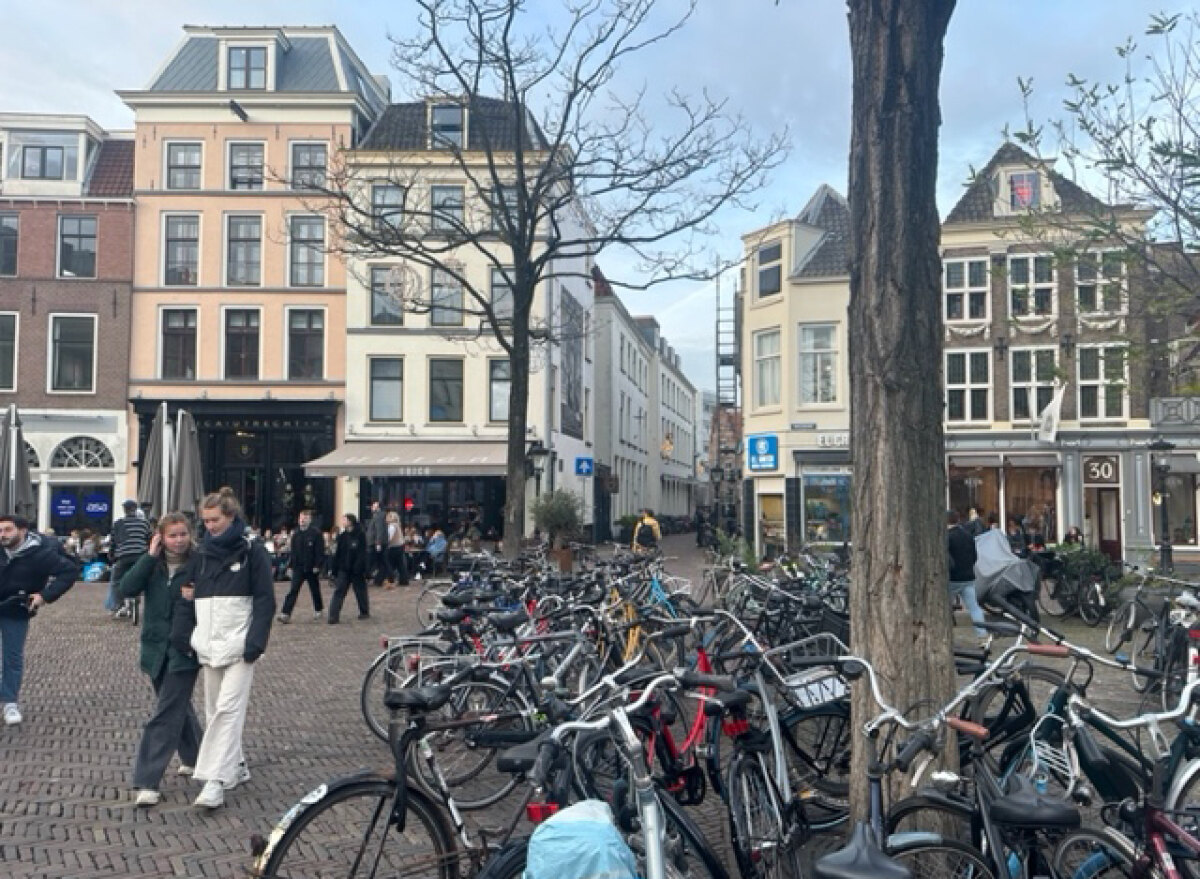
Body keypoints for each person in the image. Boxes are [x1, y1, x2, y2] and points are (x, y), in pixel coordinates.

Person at [176, 488, 274, 810]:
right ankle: (237, 764)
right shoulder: (201, 554)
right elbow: (185, 592)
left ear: (230, 516)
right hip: (209, 643)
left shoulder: (252, 551)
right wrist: (186, 635)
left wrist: (255, 642)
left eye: (214, 520)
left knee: (229, 710)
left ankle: (214, 781)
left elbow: (264, 599)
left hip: (240, 643)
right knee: (215, 709)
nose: (209, 526)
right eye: (205, 521)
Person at [120, 513, 204, 806]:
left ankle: (147, 780)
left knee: (166, 713)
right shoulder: (152, 566)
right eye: (172, 535)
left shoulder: (199, 562)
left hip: (185, 650)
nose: (178, 541)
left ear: (190, 535)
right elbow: (125, 589)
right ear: (160, 538)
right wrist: (147, 557)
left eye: (183, 534)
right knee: (178, 706)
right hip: (155, 649)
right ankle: (198, 757)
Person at [0, 515, 79, 725]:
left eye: (8, 530)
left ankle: (9, 702)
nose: (3, 535)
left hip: (16, 607)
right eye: (0, 531)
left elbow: (69, 571)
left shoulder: (40, 553)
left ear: (22, 530)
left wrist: (45, 596)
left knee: (12, 656)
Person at [277, 510, 325, 623]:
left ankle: (318, 609)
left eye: (305, 518)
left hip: (311, 567)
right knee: (293, 590)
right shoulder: (296, 534)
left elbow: (319, 551)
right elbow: (293, 552)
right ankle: (286, 613)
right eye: (301, 518)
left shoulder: (316, 533)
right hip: (298, 567)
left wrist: (318, 565)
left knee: (315, 589)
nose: (302, 520)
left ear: (310, 520)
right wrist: (290, 566)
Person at [947, 510, 987, 641]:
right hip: (968, 577)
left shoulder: (947, 537)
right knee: (974, 607)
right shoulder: (967, 535)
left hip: (952, 578)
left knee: (944, 608)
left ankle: (945, 635)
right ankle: (982, 634)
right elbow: (974, 556)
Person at [108, 499, 152, 616]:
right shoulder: (145, 523)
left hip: (124, 556)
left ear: (124, 510)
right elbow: (149, 540)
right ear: (135, 509)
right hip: (141, 556)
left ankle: (119, 605)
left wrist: (112, 555)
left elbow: (114, 542)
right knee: (145, 578)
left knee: (116, 581)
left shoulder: (118, 524)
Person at [328, 514, 369, 623]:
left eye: (344, 520)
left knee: (360, 592)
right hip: (344, 568)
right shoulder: (342, 536)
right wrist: (334, 569)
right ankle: (333, 615)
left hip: (357, 570)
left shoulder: (360, 535)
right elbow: (338, 554)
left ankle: (364, 611)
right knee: (339, 591)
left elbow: (362, 553)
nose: (342, 522)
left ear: (350, 521)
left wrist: (359, 567)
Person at [365, 501, 389, 587]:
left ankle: (369, 577)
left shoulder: (379, 516)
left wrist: (378, 543)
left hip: (375, 543)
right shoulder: (378, 516)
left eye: (374, 506)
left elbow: (379, 530)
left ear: (378, 508)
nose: (372, 507)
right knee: (381, 562)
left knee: (371, 561)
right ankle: (378, 579)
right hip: (376, 542)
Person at [385, 511, 407, 587]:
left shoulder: (392, 526)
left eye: (388, 516)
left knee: (389, 563)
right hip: (400, 546)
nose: (386, 518)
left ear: (391, 518)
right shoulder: (397, 525)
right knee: (400, 564)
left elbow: (389, 537)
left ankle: (390, 579)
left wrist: (385, 543)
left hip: (393, 547)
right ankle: (404, 580)